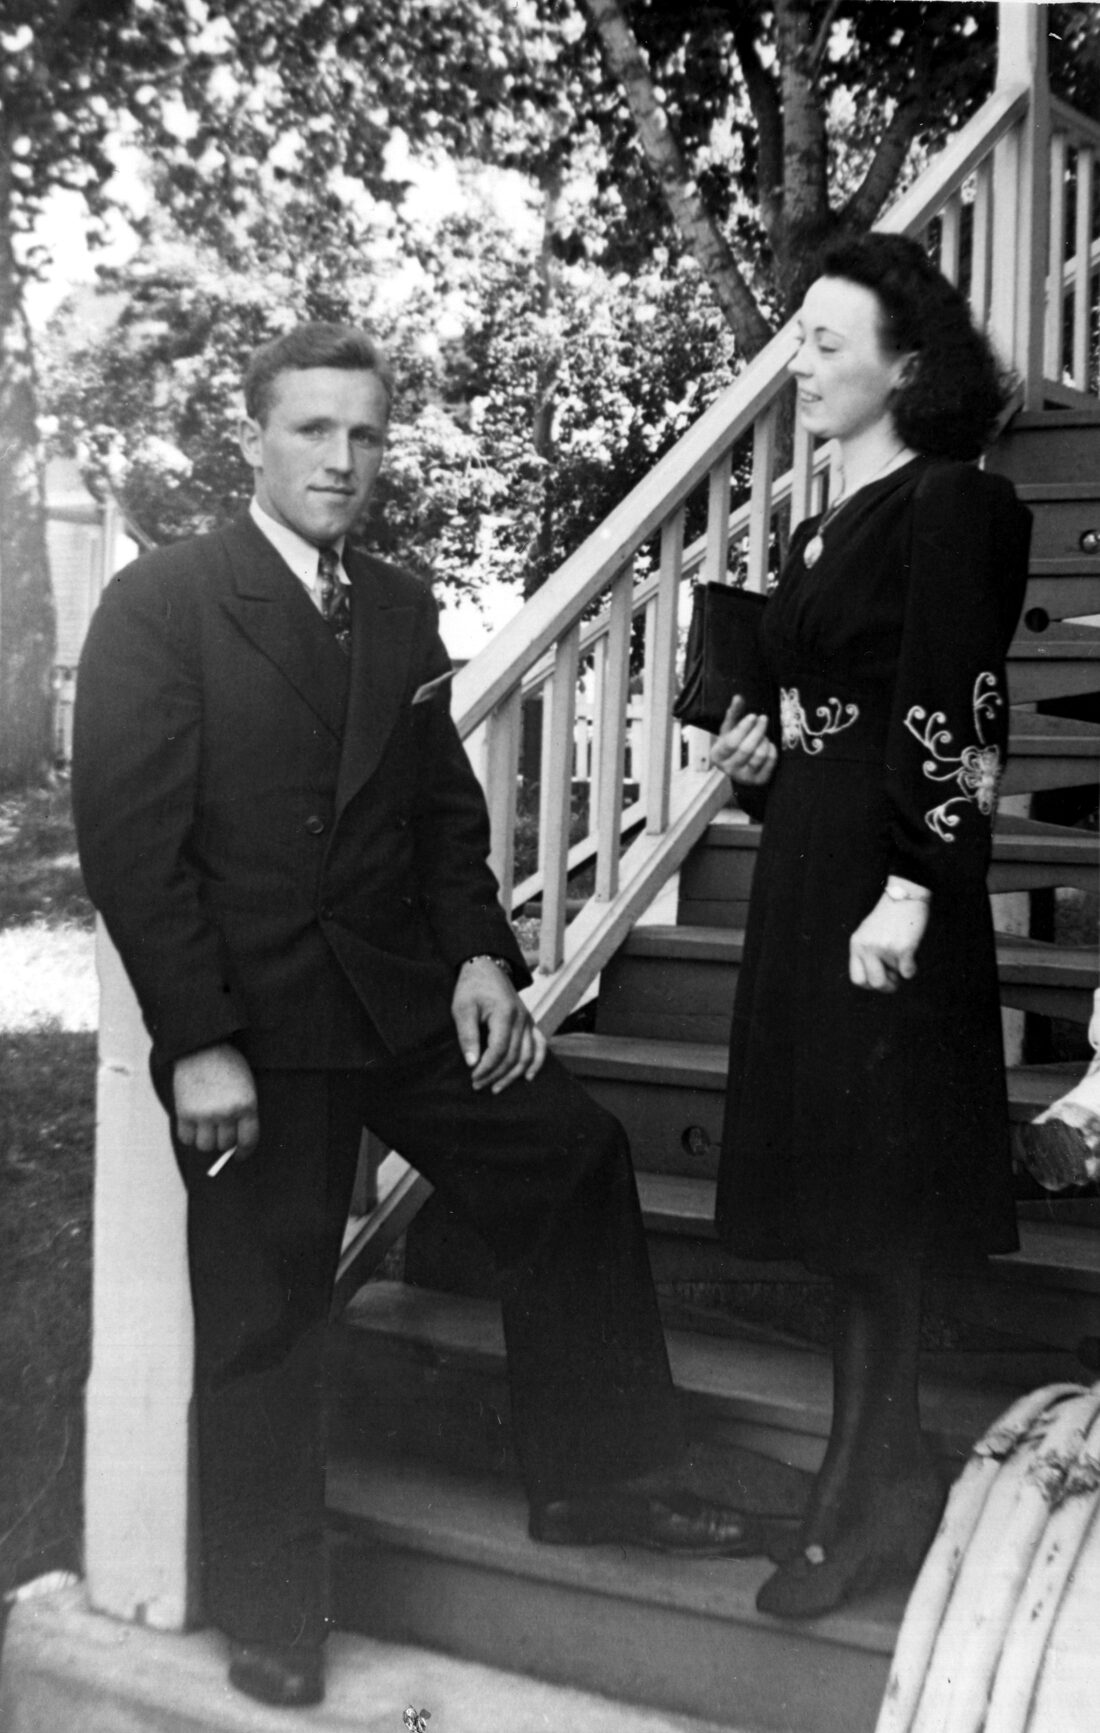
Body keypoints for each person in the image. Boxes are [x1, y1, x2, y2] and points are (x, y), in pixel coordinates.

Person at [71, 323, 758, 1710]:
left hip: (394, 1002)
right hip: (255, 1028)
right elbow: (132, 844)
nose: (343, 458)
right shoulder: (165, 601)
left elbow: (443, 816)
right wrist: (196, 1037)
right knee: (265, 1311)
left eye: (366, 434)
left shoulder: (395, 605)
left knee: (569, 1157)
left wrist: (482, 959)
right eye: (315, 430)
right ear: (253, 437)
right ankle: (271, 1608)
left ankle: (599, 1482)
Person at [709, 234, 1032, 1620]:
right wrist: (766, 761)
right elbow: (827, 702)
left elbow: (959, 705)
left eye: (830, 341)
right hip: (811, 859)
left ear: (909, 366)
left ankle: (870, 1481)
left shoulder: (956, 503)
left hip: (889, 882)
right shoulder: (818, 520)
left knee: (883, 1190)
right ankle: (876, 1466)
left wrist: (914, 884)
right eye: (801, 337)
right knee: (839, 1182)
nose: (805, 361)